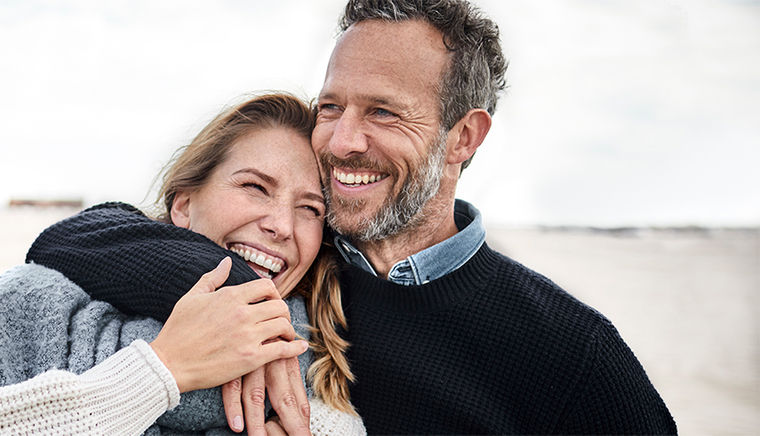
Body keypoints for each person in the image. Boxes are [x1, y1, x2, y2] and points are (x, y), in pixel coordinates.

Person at [78, 0, 677, 433]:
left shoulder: (572, 354)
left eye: (383, 113)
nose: (342, 141)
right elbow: (74, 238)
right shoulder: (293, 263)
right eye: (331, 106)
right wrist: (242, 293)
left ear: (463, 136)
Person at [0, 93, 364, 435]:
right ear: (183, 204)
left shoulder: (317, 367)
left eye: (310, 208)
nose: (281, 225)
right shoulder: (34, 297)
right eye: (254, 187)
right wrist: (160, 371)